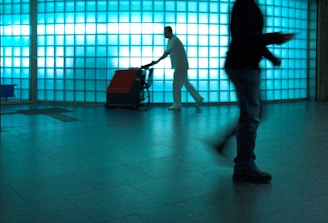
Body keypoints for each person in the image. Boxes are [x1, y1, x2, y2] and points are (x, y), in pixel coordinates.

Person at [224, 0, 295, 183]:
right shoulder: (244, 5)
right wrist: (277, 37)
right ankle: (244, 167)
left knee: (255, 112)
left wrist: (272, 58)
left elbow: (252, 39)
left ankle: (227, 146)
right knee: (251, 116)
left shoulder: (247, 5)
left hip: (244, 66)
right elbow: (247, 38)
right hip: (243, 67)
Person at [152, 26, 204, 110]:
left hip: (180, 66)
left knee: (176, 85)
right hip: (181, 65)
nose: (164, 34)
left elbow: (167, 52)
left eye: (165, 33)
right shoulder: (171, 40)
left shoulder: (174, 40)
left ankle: (177, 104)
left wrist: (157, 61)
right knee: (185, 83)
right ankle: (198, 98)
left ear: (169, 32)